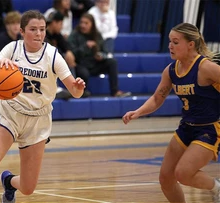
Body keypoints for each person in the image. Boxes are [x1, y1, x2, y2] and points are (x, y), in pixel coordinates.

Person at [0, 10, 85, 203]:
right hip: (10, 113)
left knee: (28, 188)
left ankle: (9, 182)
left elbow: (75, 92)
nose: (38, 34)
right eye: (33, 29)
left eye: (42, 29)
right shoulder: (12, 49)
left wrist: (78, 87)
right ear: (22, 31)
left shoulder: (52, 55)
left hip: (38, 120)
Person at [122, 23, 220, 203]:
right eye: (169, 42)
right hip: (186, 128)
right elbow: (157, 98)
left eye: (175, 42)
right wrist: (138, 112)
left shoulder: (205, 68)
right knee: (166, 178)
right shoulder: (171, 70)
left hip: (208, 129)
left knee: (183, 173)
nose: (170, 46)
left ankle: (217, 188)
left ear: (191, 44)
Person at [67, 13, 130, 97]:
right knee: (84, 73)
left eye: (86, 23)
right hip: (81, 64)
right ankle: (81, 93)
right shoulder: (74, 35)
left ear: (92, 25)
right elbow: (72, 53)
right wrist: (85, 47)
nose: (83, 25)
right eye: (81, 22)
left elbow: (104, 51)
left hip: (94, 63)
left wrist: (101, 56)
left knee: (112, 62)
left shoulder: (97, 35)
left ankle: (115, 91)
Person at [45, 11, 82, 99]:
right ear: (54, 23)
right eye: (61, 24)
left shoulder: (56, 35)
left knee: (71, 59)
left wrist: (69, 52)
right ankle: (56, 89)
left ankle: (73, 88)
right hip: (45, 66)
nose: (61, 27)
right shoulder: (44, 35)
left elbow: (65, 45)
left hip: (55, 63)